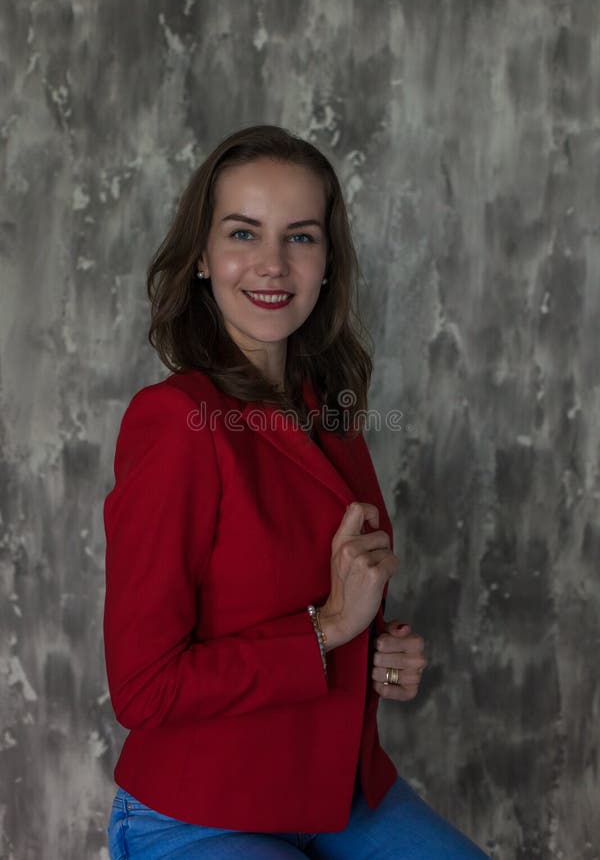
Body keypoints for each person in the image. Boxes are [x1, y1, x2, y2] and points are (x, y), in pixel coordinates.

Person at [103, 124, 488, 858]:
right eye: (243, 232)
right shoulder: (178, 422)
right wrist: (330, 629)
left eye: (301, 237)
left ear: (327, 262)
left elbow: (314, 594)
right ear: (205, 260)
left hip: (341, 794)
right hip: (202, 808)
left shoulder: (329, 409)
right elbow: (144, 689)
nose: (272, 264)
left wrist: (379, 651)